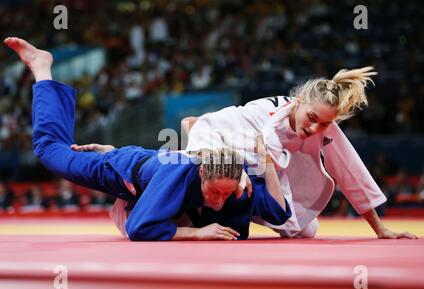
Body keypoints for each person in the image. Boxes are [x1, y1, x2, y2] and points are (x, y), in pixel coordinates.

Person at [4, 37, 291, 241]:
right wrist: (195, 233)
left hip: (150, 162)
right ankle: (43, 70)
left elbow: (279, 213)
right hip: (122, 170)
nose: (219, 201)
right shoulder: (179, 173)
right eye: (214, 192)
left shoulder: (233, 181)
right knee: (49, 151)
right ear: (202, 172)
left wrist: (266, 159)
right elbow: (139, 229)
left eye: (225, 194)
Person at [182, 67, 418, 239]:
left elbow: (351, 172)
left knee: (307, 230)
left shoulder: (325, 128)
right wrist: (230, 169)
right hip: (234, 157)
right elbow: (206, 127)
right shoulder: (262, 113)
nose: (315, 128)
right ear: (298, 101)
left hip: (271, 172)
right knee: (199, 187)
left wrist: (380, 229)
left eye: (324, 124)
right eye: (312, 118)